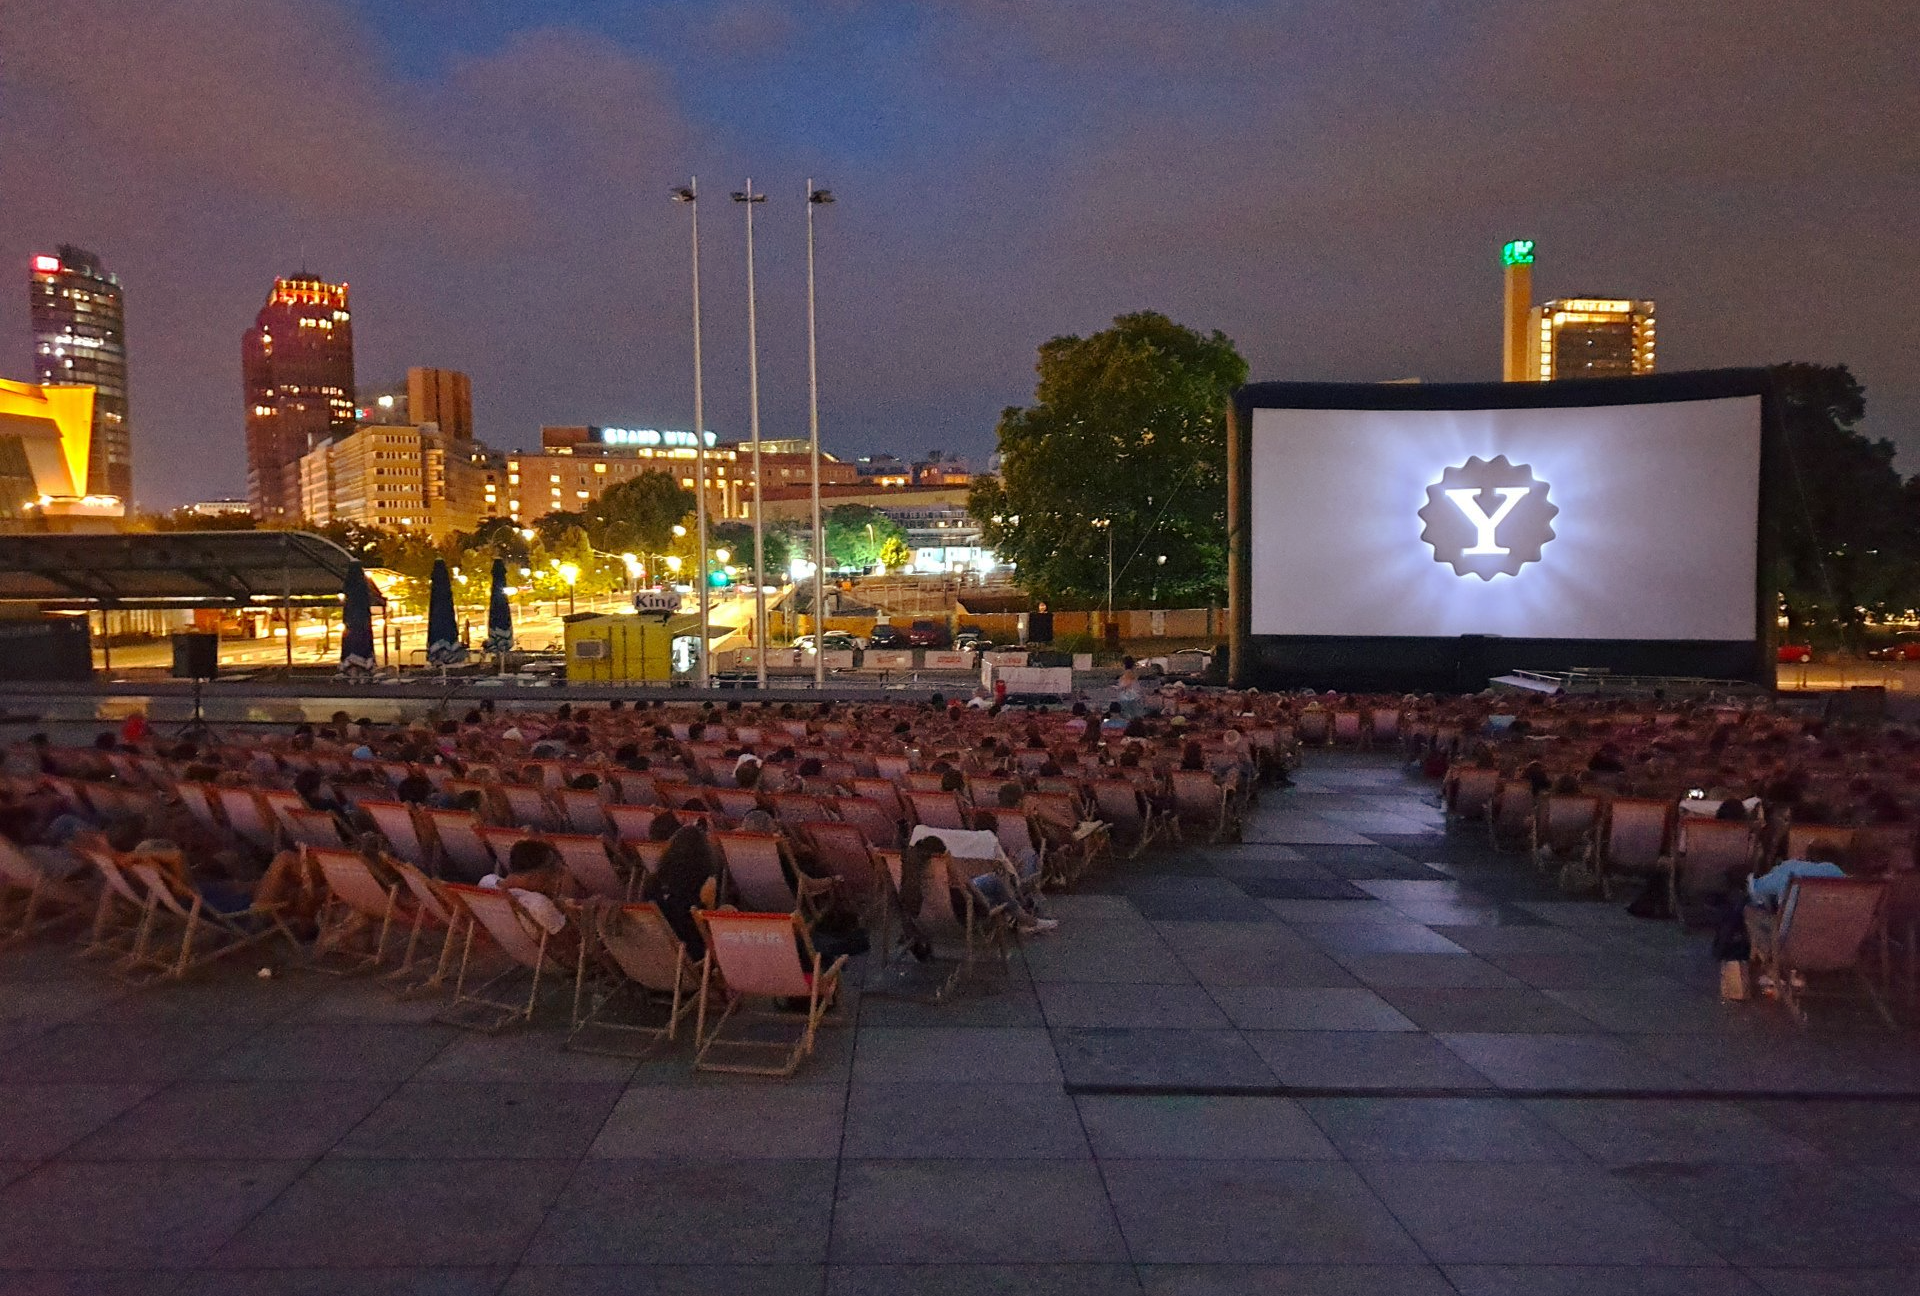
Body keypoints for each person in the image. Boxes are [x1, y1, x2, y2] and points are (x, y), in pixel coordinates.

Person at [643, 823, 719, 958]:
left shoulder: (652, 885)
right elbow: (706, 930)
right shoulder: (702, 886)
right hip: (691, 953)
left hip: (658, 951)